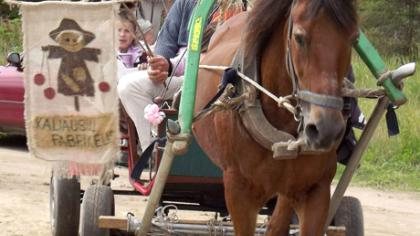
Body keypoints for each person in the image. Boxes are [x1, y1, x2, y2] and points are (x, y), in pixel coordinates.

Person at [117, 0, 197, 151]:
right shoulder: (184, 3)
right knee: (128, 86)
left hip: (208, 76)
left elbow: (210, 56)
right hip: (175, 73)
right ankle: (154, 152)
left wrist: (170, 65)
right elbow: (165, 44)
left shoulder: (229, 5)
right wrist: (158, 66)